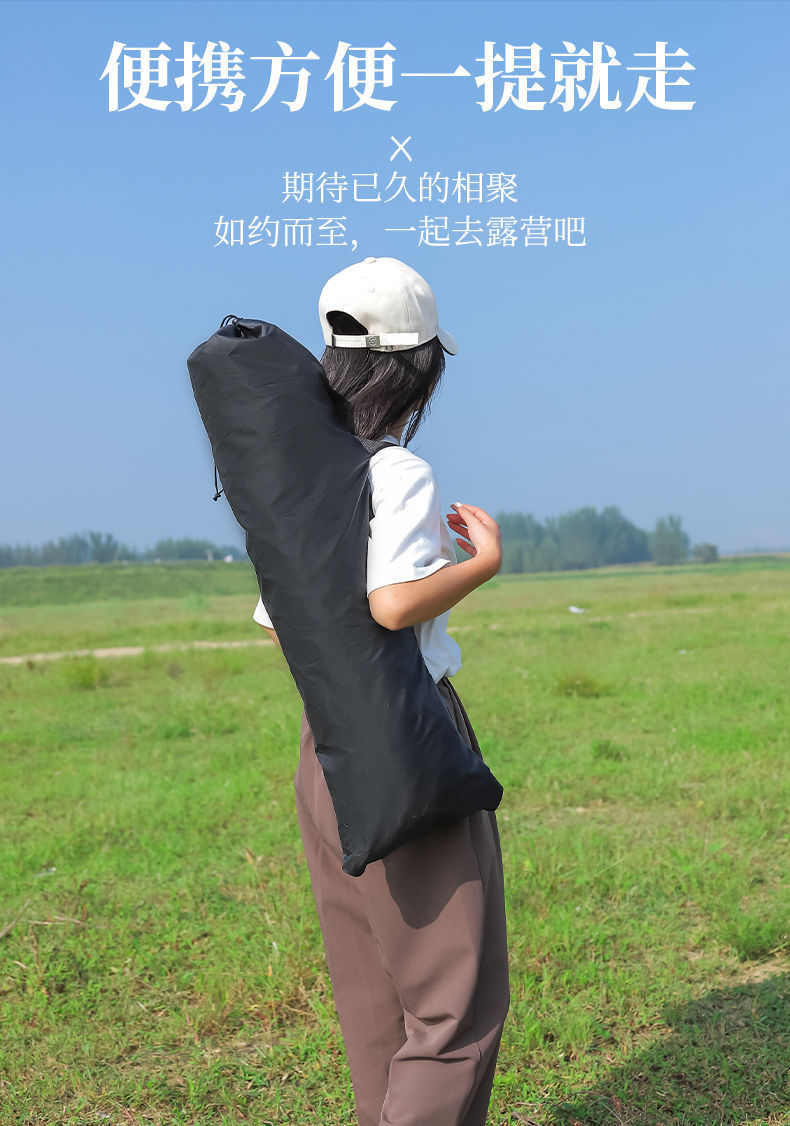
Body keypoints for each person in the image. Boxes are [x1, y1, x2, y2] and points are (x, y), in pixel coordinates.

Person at [252, 256, 510, 1126]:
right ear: (420, 368)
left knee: (373, 1002)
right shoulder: (397, 472)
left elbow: (280, 623)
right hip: (408, 740)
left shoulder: (293, 475)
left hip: (325, 744)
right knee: (453, 1006)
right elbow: (394, 603)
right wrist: (480, 565)